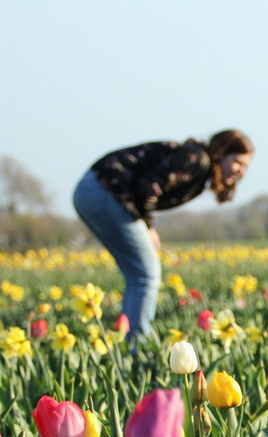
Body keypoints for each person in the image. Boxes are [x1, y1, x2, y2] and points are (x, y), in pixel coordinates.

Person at [73, 129, 254, 339]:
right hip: (104, 191)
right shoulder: (197, 160)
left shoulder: (198, 160)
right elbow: (148, 185)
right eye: (237, 162)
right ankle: (136, 348)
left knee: (137, 275)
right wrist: (148, 225)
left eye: (246, 167)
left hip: (92, 189)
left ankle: (128, 341)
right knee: (146, 274)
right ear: (221, 153)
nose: (241, 171)